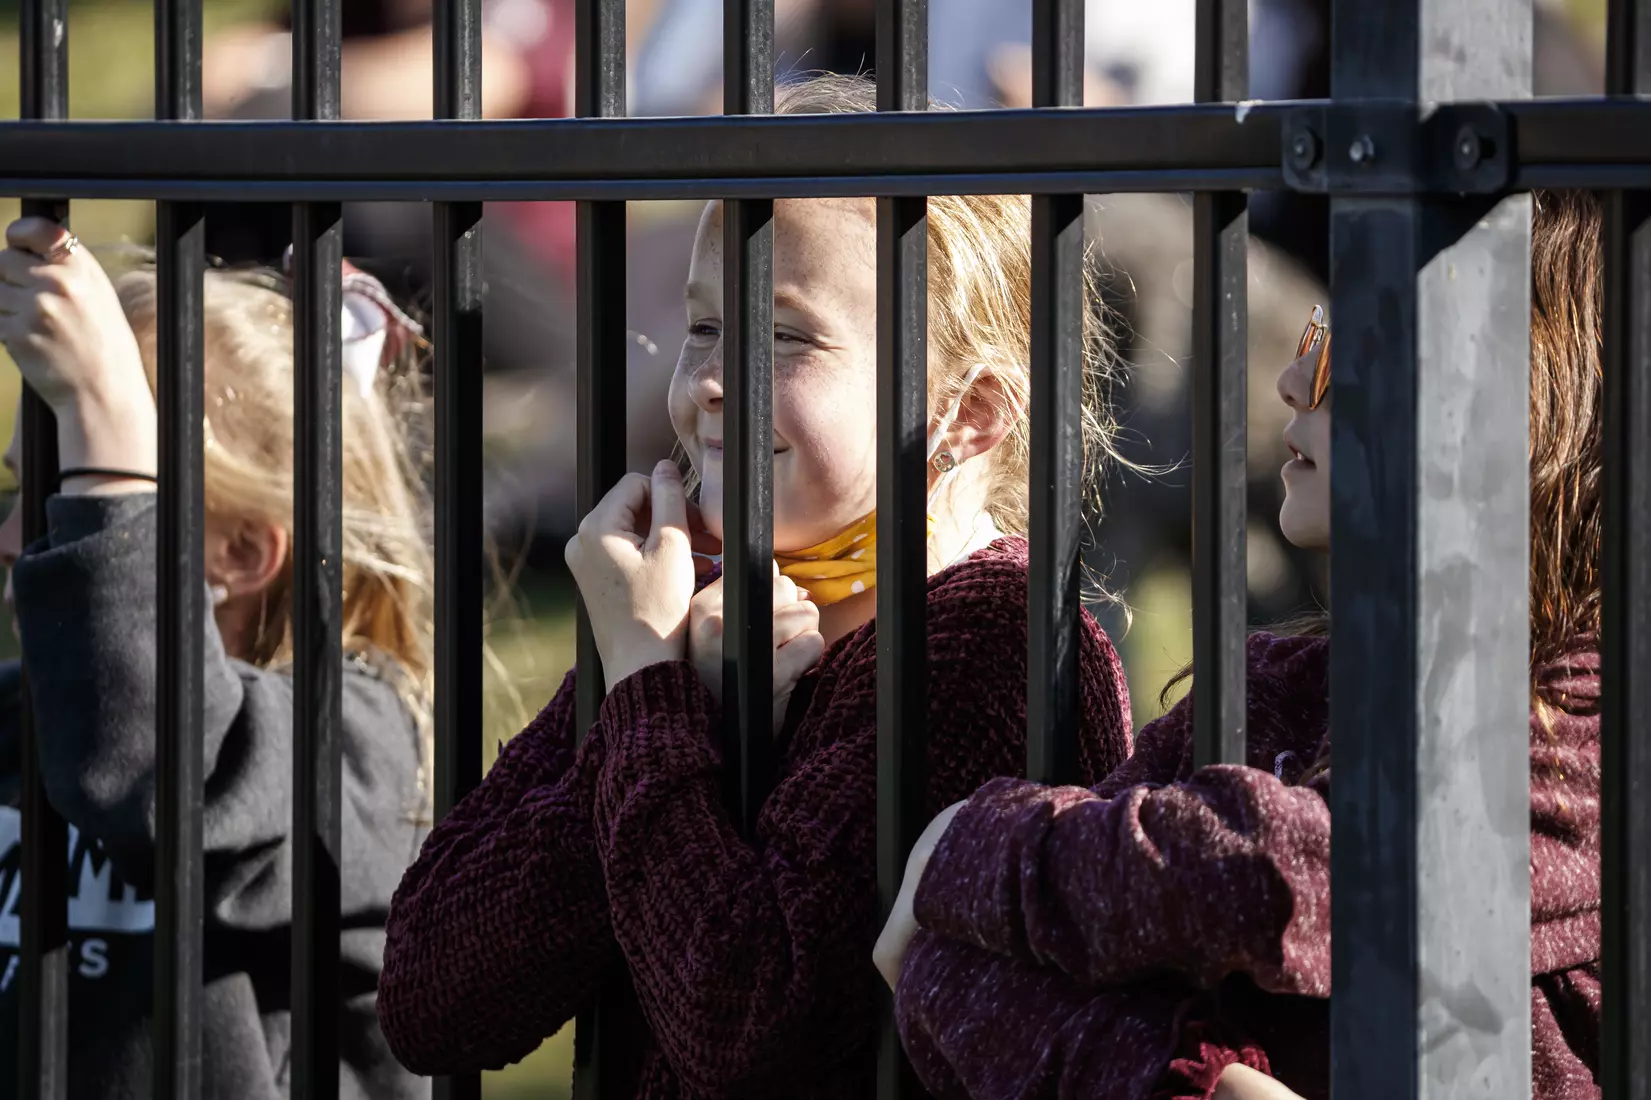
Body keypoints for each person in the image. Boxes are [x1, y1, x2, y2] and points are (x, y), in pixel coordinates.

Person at [376, 72, 1137, 1096]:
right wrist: (685, 704)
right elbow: (430, 991)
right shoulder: (692, 608)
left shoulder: (990, 645)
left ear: (972, 414)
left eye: (781, 336)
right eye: (699, 327)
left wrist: (649, 693)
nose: (704, 384)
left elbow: (745, 1021)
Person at [874, 189, 1603, 1100]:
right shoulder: (1267, 689)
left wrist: (981, 847)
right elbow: (947, 982)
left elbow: (1312, 876)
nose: (1293, 383)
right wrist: (1204, 1083)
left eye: (1346, 349)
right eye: (1312, 335)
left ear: (1513, 406)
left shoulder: (1591, 717)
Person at [0, 217, 437, 1099]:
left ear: (242, 552)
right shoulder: (19, 717)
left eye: (73, 493)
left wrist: (111, 428)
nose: (13, 538)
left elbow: (159, 766)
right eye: (19, 485)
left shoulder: (357, 745)